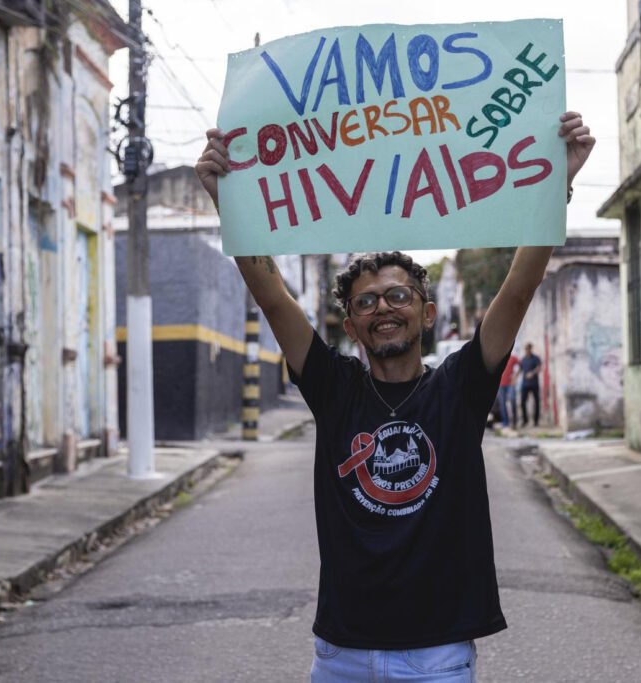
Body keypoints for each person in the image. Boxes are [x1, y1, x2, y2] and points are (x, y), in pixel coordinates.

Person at [195, 111, 594, 682]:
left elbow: (518, 287)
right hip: (340, 656)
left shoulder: (460, 386)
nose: (382, 307)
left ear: (426, 314)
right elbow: (274, 297)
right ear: (351, 327)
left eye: (398, 295)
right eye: (365, 302)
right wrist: (229, 201)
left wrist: (557, 185)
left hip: (435, 658)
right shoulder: (334, 388)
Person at [519, 342, 542, 428]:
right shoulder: (523, 359)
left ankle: (536, 421)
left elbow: (539, 367)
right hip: (525, 384)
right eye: (526, 349)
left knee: (536, 402)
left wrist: (532, 373)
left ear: (530, 349)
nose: (527, 351)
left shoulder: (536, 358)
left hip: (534, 384)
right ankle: (525, 420)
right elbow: (520, 369)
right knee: (522, 402)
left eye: (528, 349)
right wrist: (514, 377)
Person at [496, 349, 520, 427]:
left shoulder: (513, 357)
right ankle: (505, 422)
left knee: (512, 400)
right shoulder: (498, 358)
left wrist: (515, 377)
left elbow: (520, 366)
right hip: (500, 384)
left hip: (510, 383)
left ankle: (514, 421)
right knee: (502, 403)